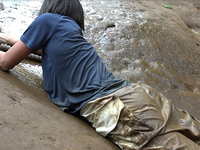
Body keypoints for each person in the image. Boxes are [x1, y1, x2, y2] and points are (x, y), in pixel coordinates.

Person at [0, 0, 200, 149]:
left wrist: (16, 46)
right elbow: (48, 51)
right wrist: (17, 41)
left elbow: (5, 62)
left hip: (116, 107)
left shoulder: (47, 20)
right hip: (138, 96)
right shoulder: (72, 32)